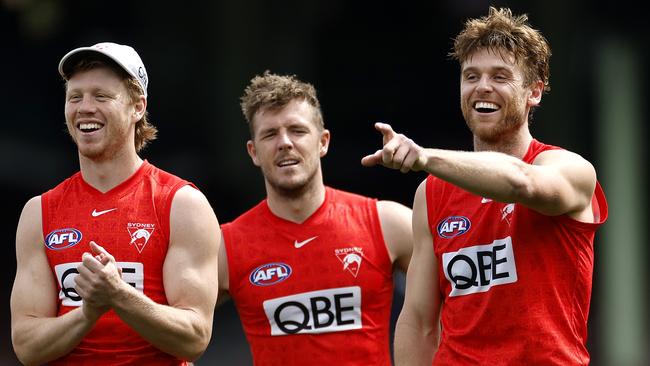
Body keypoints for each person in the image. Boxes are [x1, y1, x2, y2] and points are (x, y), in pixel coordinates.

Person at [362, 7, 608, 365]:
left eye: (500, 76)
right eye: (471, 76)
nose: (482, 87)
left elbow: (522, 183)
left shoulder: (570, 168)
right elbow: (418, 321)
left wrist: (425, 157)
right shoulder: (431, 194)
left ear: (534, 92)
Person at [10, 42, 220, 365]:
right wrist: (88, 312)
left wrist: (120, 295)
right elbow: (26, 345)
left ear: (138, 107)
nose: (85, 108)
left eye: (101, 96)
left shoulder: (181, 204)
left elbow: (194, 337)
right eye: (75, 97)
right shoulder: (38, 213)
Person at [217, 71, 413, 365]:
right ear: (253, 151)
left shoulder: (386, 223)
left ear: (323, 142)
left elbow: (466, 296)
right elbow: (178, 328)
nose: (284, 142)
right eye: (270, 134)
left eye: (297, 130)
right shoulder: (225, 246)